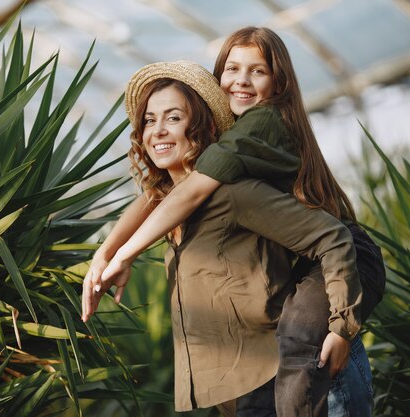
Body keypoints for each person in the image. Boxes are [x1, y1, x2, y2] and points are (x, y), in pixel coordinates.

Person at [83, 27, 385, 417]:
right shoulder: (205, 174)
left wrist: (342, 329)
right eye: (232, 69)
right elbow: (158, 197)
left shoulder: (258, 130)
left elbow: (189, 193)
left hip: (343, 257)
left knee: (301, 339)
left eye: (174, 117)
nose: (241, 81)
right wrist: (105, 254)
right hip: (309, 272)